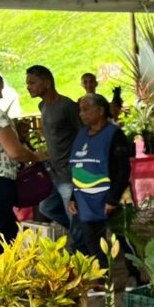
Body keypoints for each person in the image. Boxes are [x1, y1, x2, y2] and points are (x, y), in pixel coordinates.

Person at [0, 70, 47, 270]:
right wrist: (36, 156)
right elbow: (14, 152)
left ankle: (5, 276)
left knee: (2, 228)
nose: (1, 96)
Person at [27, 64, 88, 253]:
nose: (28, 87)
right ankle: (84, 233)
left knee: (73, 216)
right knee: (47, 207)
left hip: (70, 174)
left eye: (32, 82)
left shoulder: (67, 106)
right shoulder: (42, 106)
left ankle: (84, 256)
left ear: (47, 82)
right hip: (53, 172)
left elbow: (84, 135)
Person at [67, 93, 131, 268]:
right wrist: (74, 197)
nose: (81, 114)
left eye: (86, 109)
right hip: (86, 199)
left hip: (111, 198)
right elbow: (79, 166)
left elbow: (123, 170)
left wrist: (113, 199)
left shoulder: (114, 134)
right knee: (92, 240)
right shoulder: (81, 134)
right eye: (80, 110)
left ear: (101, 111)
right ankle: (103, 278)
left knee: (123, 239)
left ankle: (135, 277)